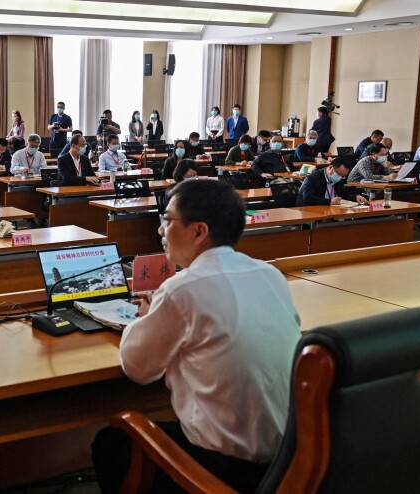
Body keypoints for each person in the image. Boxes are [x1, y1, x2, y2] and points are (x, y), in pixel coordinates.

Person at [91, 179, 301, 494]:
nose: (161, 230)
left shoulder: (183, 289)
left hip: (227, 471)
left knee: (111, 443)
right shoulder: (270, 274)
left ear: (199, 231)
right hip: (286, 464)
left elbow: (136, 368)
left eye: (168, 220)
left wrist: (147, 317)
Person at [298, 158, 368, 206]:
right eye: (339, 174)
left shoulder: (338, 179)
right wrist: (329, 202)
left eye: (343, 176)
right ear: (330, 167)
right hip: (309, 211)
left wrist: (356, 197)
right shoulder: (313, 178)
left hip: (328, 209)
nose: (340, 177)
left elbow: (344, 195)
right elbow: (308, 198)